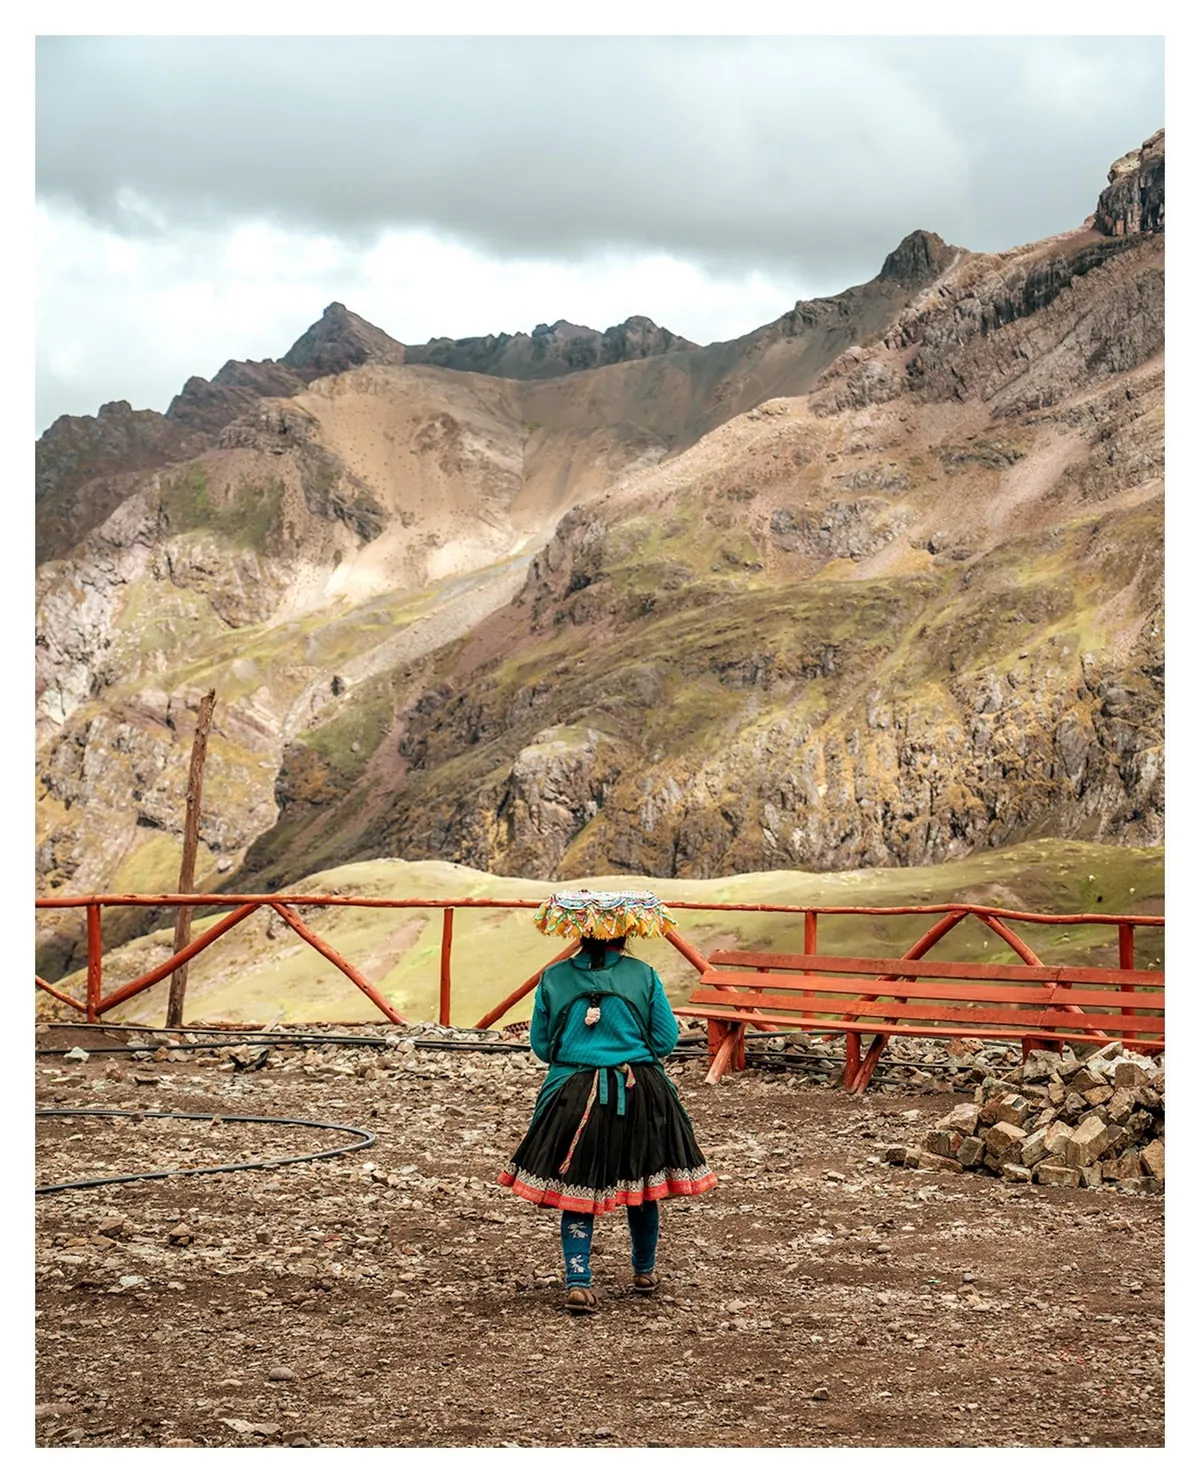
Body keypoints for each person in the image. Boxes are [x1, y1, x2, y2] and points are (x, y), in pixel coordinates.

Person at [497, 889, 717, 1315]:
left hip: (571, 1093)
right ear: (626, 932)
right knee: (645, 1184)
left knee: (577, 1189)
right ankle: (644, 1270)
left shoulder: (554, 978)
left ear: (580, 931)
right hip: (640, 1092)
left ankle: (578, 1280)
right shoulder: (644, 974)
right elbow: (665, 1040)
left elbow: (543, 1047)